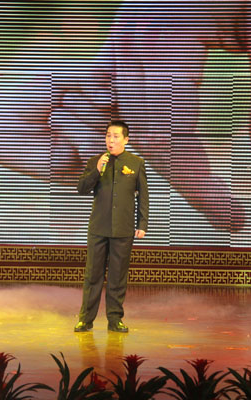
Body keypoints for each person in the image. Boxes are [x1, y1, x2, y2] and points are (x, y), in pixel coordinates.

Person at [74, 121, 149, 333]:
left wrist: (142, 224)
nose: (111, 140)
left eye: (116, 136)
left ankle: (115, 319)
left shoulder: (136, 163)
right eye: (108, 135)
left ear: (126, 140)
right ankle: (85, 320)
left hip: (123, 229)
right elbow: (81, 188)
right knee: (93, 275)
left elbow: (143, 196)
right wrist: (97, 170)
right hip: (99, 227)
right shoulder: (95, 161)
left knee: (117, 276)